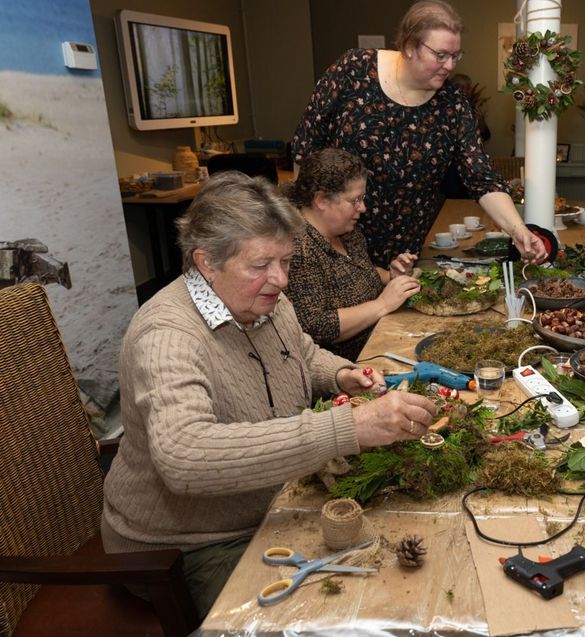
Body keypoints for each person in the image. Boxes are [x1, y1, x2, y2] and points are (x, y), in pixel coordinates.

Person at [101, 172, 438, 617]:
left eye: (286, 261)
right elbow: (183, 458)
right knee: (336, 612)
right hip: (187, 546)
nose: (279, 280)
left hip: (270, 500)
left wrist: (341, 374)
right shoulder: (167, 336)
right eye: (261, 265)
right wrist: (347, 426)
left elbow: (298, 350)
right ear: (206, 262)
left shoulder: (264, 300)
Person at [290, 0, 545, 266]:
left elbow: (481, 178)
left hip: (402, 254)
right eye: (441, 55)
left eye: (456, 56)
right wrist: (302, 235)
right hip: (335, 245)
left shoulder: (452, 104)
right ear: (410, 46)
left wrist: (519, 231)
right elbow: (305, 149)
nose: (450, 66)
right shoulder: (353, 70)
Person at [284, 149, 421, 361]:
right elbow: (316, 326)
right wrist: (383, 304)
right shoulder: (298, 248)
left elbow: (354, 274)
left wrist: (389, 276)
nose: (363, 208)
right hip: (349, 367)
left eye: (363, 198)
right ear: (321, 200)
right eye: (355, 200)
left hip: (382, 341)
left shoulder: (348, 232)